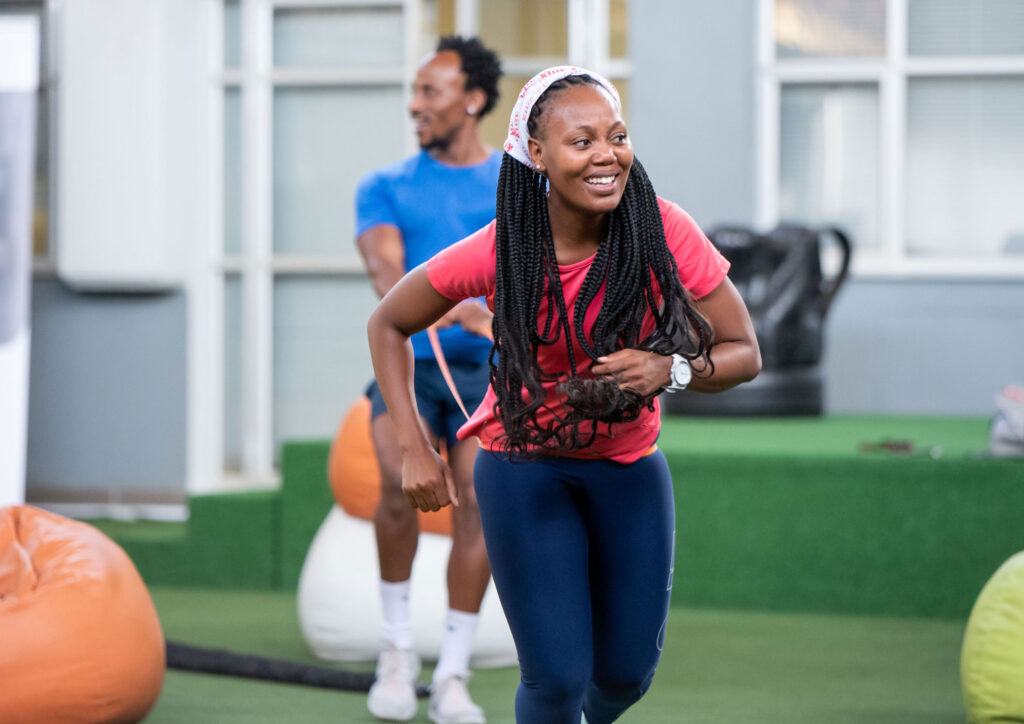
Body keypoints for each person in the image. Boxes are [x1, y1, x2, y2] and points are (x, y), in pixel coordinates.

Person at [367, 66, 762, 723]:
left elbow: (743, 351)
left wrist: (672, 370)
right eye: (582, 142)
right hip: (524, 470)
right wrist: (414, 446)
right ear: (538, 155)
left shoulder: (664, 229)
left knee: (624, 677)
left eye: (617, 136)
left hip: (629, 470)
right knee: (554, 679)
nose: (607, 154)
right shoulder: (503, 249)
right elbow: (388, 322)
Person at [355, 36, 502, 724]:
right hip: (408, 361)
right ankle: (395, 652)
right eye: (414, 92)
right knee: (394, 484)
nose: (415, 106)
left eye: (431, 92)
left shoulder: (516, 184)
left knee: (477, 500)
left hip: (489, 373)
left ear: (472, 100)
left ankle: (451, 673)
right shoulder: (383, 185)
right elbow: (388, 278)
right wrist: (458, 307)